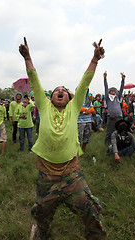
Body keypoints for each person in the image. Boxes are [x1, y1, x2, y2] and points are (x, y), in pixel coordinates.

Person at [19, 37, 106, 239]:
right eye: (57, 90)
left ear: (70, 98)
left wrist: (95, 60)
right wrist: (28, 58)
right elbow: (34, 80)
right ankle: (43, 233)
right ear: (49, 97)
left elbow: (84, 83)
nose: (60, 91)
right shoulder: (43, 105)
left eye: (64, 91)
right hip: (46, 173)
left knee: (90, 210)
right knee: (41, 212)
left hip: (71, 172)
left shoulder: (74, 109)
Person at [103, 72, 125, 145]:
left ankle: (117, 143)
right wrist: (105, 79)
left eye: (114, 91)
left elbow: (121, 89)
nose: (113, 92)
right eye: (111, 91)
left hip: (119, 117)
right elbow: (106, 88)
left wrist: (123, 80)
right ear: (109, 92)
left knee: (119, 131)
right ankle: (106, 144)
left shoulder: (117, 98)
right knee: (109, 132)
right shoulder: (108, 98)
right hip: (111, 118)